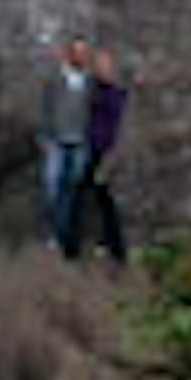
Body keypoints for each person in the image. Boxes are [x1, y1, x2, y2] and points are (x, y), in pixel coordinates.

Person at [65, 44, 129, 266]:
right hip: (88, 148)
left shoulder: (116, 94)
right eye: (99, 66)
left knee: (100, 198)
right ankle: (83, 246)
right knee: (84, 197)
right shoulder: (90, 91)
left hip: (104, 151)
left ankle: (112, 248)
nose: (103, 69)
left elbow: (116, 125)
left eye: (106, 66)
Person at [38, 34, 92, 249]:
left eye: (84, 52)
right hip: (56, 140)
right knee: (51, 186)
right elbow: (44, 107)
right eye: (76, 51)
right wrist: (43, 136)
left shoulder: (89, 81)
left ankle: (67, 236)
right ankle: (54, 231)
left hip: (80, 141)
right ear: (69, 54)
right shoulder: (54, 78)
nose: (80, 55)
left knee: (74, 189)